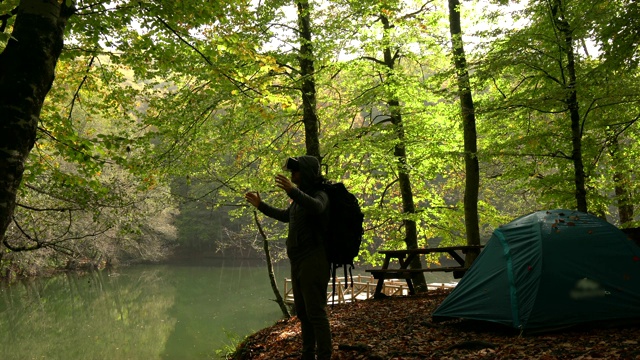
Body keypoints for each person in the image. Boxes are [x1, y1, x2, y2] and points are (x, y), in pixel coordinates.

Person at [245, 155, 332, 360]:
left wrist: (293, 190)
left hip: (315, 259)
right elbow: (286, 216)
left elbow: (317, 207)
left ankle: (325, 356)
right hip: (298, 260)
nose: (292, 175)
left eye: (296, 171)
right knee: (302, 312)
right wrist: (261, 205)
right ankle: (308, 354)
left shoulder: (322, 194)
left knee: (315, 312)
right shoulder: (297, 201)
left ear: (307, 172)